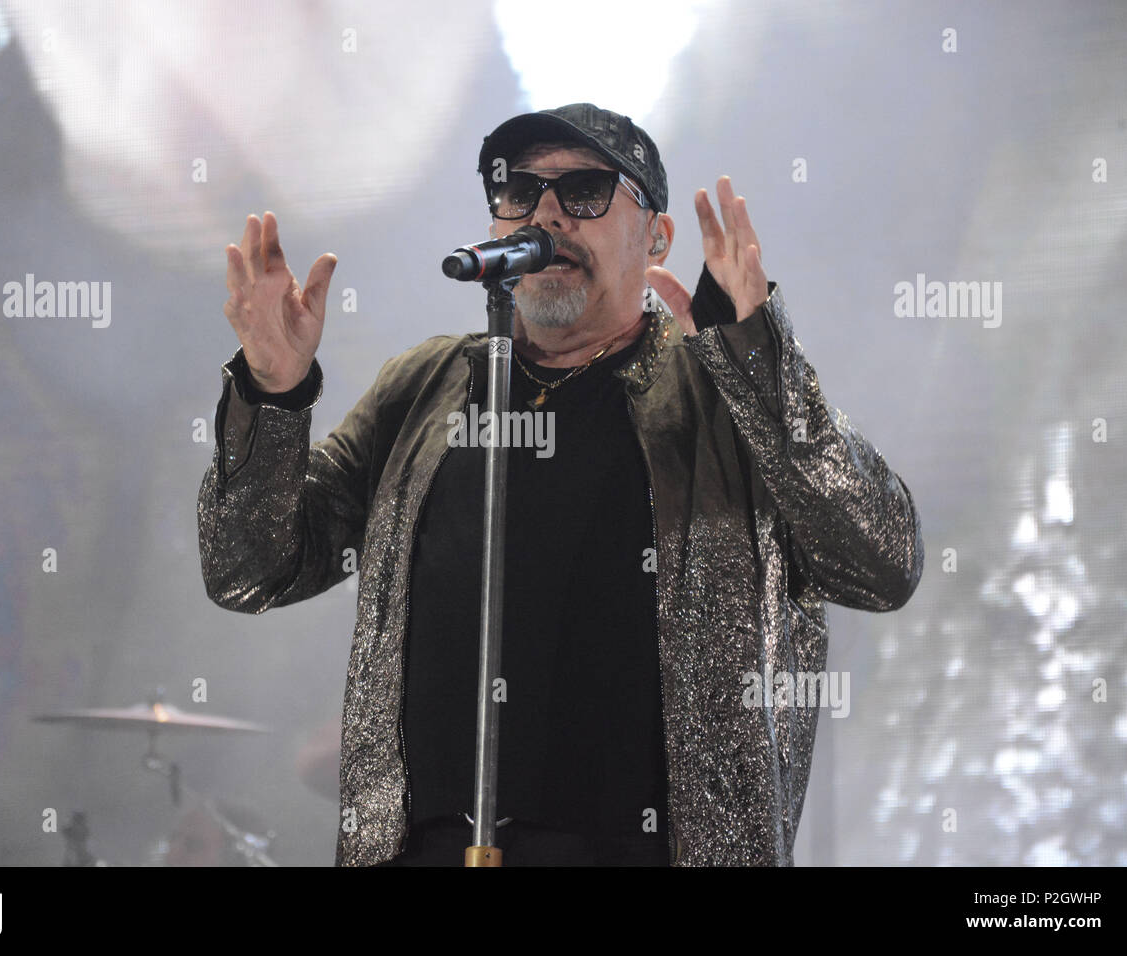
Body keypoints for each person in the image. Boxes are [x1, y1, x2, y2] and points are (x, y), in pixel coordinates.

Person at [197, 103, 923, 866]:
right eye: (519, 191)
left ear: (656, 238)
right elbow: (249, 570)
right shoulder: (424, 389)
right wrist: (273, 396)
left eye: (583, 191)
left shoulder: (727, 396)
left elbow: (881, 564)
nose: (545, 212)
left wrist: (762, 369)